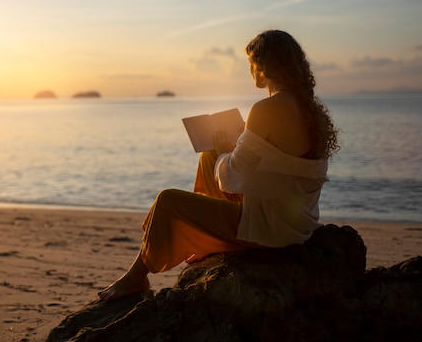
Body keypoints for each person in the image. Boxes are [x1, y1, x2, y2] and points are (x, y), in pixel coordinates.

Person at [98, 29, 339, 301]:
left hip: (271, 231)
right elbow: (275, 168)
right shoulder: (310, 108)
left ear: (263, 67)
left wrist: (228, 148)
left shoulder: (267, 109)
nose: (250, 71)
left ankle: (136, 278)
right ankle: (203, 230)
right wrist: (225, 150)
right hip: (297, 222)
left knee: (167, 200)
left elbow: (231, 179)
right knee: (209, 156)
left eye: (251, 64)